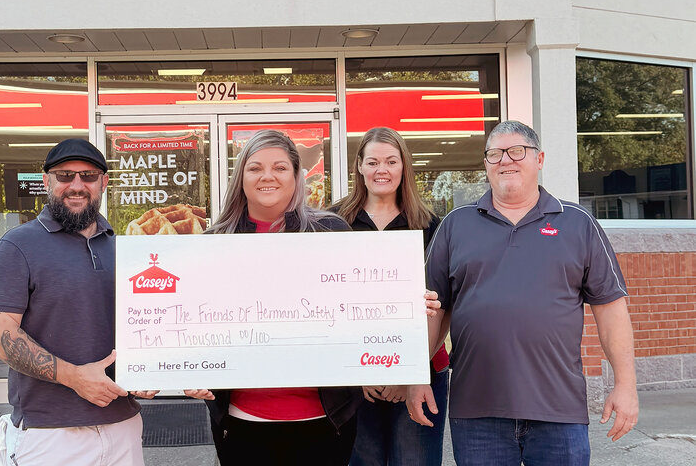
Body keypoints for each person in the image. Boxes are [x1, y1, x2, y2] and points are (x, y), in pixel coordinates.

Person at [410, 120, 638, 466]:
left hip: (558, 410)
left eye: (518, 151)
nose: (506, 160)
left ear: (540, 159)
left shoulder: (577, 223)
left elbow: (611, 310)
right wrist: (417, 376)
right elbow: (433, 310)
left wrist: (626, 385)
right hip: (477, 412)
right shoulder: (456, 225)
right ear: (486, 163)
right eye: (495, 154)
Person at [186, 129, 362, 466]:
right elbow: (195, 324)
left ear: (297, 176)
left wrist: (407, 307)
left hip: (325, 421)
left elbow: (359, 308)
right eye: (255, 168)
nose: (268, 176)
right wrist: (191, 370)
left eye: (280, 167)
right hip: (242, 422)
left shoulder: (332, 232)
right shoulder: (211, 244)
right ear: (241, 178)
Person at [0, 138, 154, 466]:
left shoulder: (126, 249)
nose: (77, 185)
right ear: (47, 181)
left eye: (88, 176)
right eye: (65, 176)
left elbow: (145, 326)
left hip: (123, 427)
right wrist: (75, 378)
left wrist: (148, 373)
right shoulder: (16, 246)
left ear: (104, 182)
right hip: (50, 435)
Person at [332, 127, 449, 466]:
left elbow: (444, 306)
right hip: (352, 377)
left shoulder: (431, 225)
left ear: (403, 167)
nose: (381, 169)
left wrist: (408, 371)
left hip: (419, 372)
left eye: (391, 161)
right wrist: (358, 371)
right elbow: (325, 302)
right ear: (359, 167)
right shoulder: (333, 222)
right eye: (373, 162)